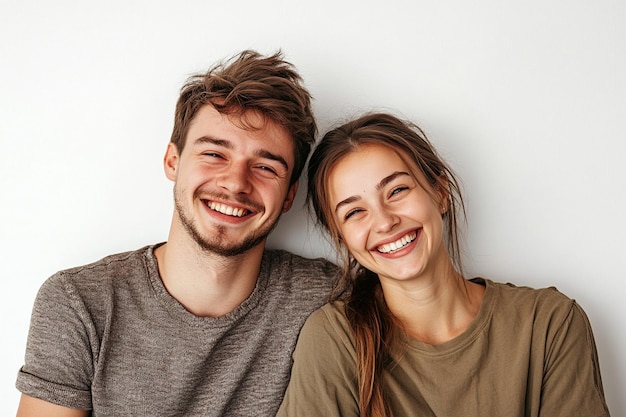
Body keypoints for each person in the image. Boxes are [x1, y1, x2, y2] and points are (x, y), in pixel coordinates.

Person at [15, 50, 338, 417]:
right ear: (173, 161)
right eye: (215, 154)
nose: (235, 183)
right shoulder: (81, 303)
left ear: (289, 195)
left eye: (265, 167)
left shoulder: (328, 297)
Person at [277, 112, 610, 417]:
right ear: (341, 238)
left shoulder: (549, 323)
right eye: (354, 212)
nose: (384, 222)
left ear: (440, 192)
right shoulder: (334, 340)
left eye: (397, 190)